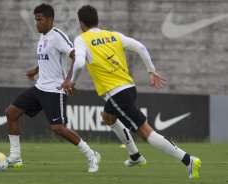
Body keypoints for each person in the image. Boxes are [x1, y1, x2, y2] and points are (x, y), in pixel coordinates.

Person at [61, 5, 201, 179]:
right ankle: (135, 156)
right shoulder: (113, 35)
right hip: (129, 88)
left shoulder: (81, 39)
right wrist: (151, 70)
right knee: (108, 116)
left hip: (117, 94)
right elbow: (140, 47)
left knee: (147, 133)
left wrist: (72, 82)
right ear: (98, 20)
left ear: (82, 24)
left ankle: (188, 160)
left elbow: (80, 63)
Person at [5, 3, 100, 173]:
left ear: (50, 19)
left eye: (40, 19)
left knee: (58, 128)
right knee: (11, 112)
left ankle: (91, 154)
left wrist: (69, 80)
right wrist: (35, 70)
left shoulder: (58, 36)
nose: (37, 23)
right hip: (40, 87)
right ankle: (15, 156)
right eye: (35, 20)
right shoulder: (43, 37)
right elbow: (47, 58)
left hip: (55, 90)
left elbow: (77, 57)